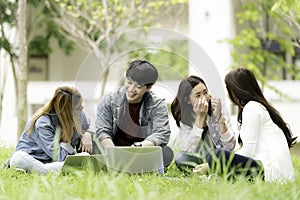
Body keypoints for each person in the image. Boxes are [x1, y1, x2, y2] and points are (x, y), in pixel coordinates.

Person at [193, 67, 297, 182]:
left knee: (215, 155)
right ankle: (213, 179)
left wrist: (209, 165)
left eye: (229, 90)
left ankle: (213, 176)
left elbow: (248, 152)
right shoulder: (258, 107)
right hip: (275, 173)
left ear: (237, 90)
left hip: (271, 173)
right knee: (222, 157)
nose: (227, 95)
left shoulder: (252, 108)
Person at [95, 60, 173, 167]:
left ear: (149, 87)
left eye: (138, 86)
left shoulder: (157, 103)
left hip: (140, 151)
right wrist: (114, 154)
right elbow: (103, 131)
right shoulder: (109, 99)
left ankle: (133, 166)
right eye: (129, 82)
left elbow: (162, 133)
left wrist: (137, 148)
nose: (131, 89)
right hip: (113, 150)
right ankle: (121, 165)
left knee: (166, 152)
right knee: (93, 144)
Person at [6, 86, 93, 174]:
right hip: (33, 159)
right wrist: (66, 143)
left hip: (51, 163)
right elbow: (60, 157)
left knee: (85, 156)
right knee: (18, 158)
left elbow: (87, 127)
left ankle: (37, 171)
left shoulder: (79, 113)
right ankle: (51, 170)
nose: (82, 108)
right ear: (66, 111)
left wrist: (87, 133)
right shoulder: (44, 123)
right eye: (78, 107)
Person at [171, 75, 236, 171]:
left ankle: (211, 171)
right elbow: (189, 151)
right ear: (187, 100)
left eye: (205, 93)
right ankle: (204, 172)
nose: (204, 98)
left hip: (219, 157)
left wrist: (219, 117)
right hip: (198, 159)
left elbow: (231, 146)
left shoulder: (218, 107)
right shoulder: (184, 117)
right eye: (198, 96)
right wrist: (200, 118)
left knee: (225, 155)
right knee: (181, 157)